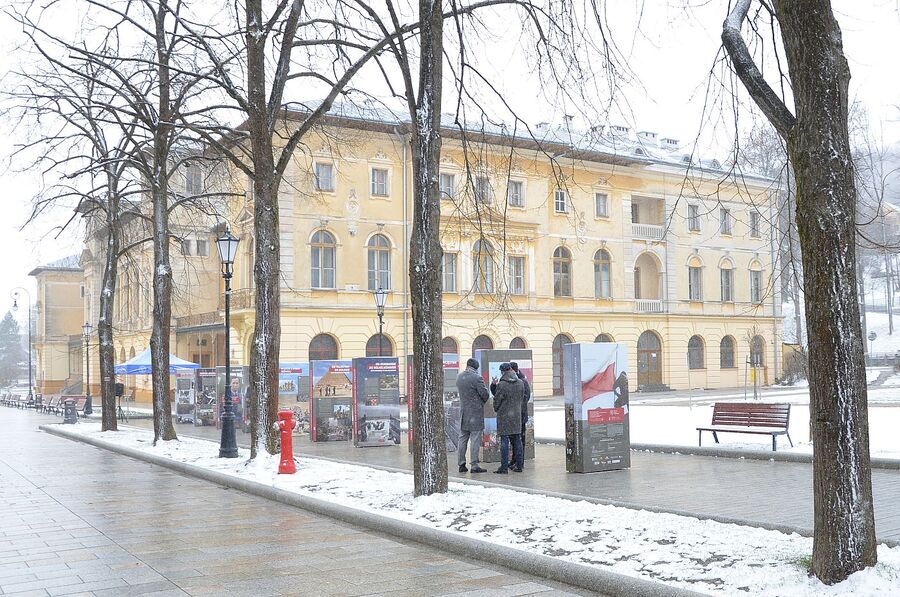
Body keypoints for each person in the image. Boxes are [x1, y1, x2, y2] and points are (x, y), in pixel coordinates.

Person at [456, 358, 490, 473]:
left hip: (464, 412)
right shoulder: (477, 378)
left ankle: (461, 464)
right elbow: (485, 394)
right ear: (476, 367)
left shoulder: (459, 377)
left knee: (462, 438)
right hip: (475, 413)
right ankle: (474, 465)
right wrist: (480, 402)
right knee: (475, 439)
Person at [490, 362, 525, 474]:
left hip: (504, 416)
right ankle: (519, 465)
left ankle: (504, 467)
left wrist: (496, 408)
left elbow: (497, 400)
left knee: (504, 440)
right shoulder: (520, 383)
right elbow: (522, 398)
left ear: (503, 372)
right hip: (516, 415)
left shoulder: (502, 385)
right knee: (517, 440)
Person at [509, 362, 531, 469]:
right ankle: (514, 460)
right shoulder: (517, 379)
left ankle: (519, 462)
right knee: (514, 439)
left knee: (519, 440)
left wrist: (517, 405)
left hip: (520, 415)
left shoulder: (522, 381)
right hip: (514, 414)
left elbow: (526, 396)